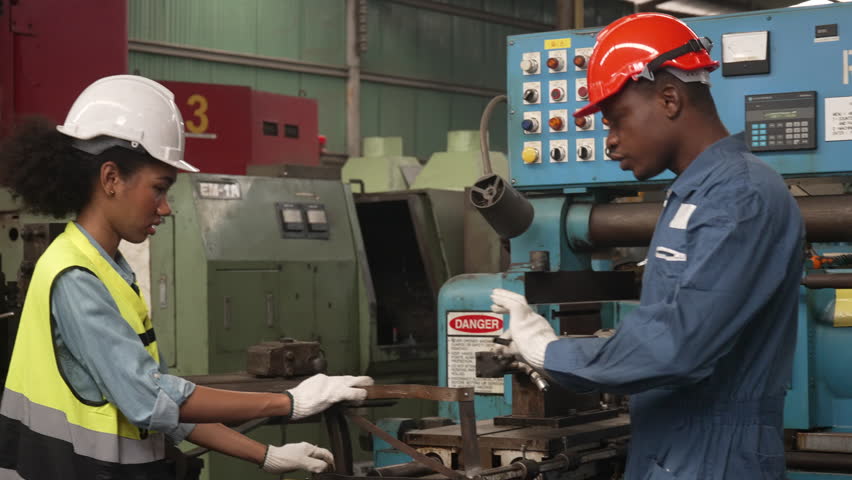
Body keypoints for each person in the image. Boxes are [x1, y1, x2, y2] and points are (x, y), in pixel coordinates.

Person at [0, 75, 373, 479]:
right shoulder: (75, 276)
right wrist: (287, 402)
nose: (165, 208)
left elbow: (164, 408)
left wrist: (267, 454)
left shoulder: (108, 269)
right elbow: (150, 398)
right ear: (111, 179)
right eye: (158, 189)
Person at [491, 13, 804, 480]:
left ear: (670, 98)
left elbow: (679, 347)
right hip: (672, 446)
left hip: (714, 457)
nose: (611, 142)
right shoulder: (693, 196)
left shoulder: (740, 197)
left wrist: (548, 351)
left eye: (617, 120)